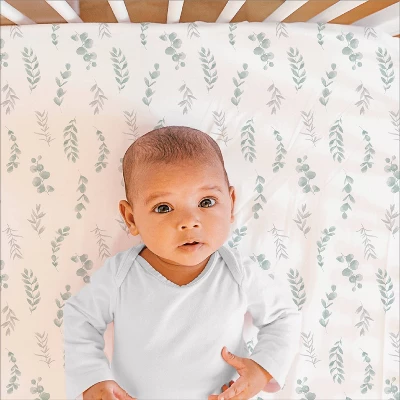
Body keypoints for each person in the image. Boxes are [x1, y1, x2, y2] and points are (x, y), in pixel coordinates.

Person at [64, 126, 302, 400]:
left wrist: (262, 369)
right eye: (164, 207)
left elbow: (283, 318)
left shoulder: (237, 272)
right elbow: (80, 319)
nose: (189, 221)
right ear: (131, 218)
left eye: (206, 202)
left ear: (231, 204)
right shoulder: (121, 275)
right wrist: (93, 379)